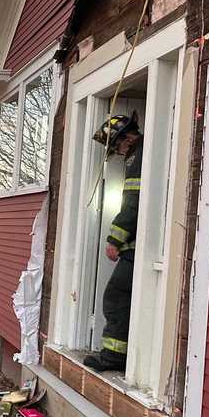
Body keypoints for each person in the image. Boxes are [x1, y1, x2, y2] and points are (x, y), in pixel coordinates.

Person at [84, 112, 143, 372]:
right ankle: (119, 354)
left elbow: (133, 203)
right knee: (125, 297)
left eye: (117, 146)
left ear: (127, 137)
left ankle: (113, 357)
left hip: (135, 245)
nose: (118, 152)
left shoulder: (138, 157)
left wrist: (114, 239)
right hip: (140, 243)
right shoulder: (142, 153)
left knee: (116, 296)